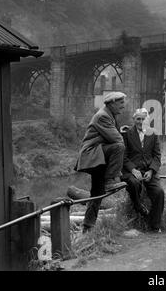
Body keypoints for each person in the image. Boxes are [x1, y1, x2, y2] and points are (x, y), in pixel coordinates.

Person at [74, 91, 127, 233]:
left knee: (96, 192)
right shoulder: (103, 116)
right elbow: (117, 140)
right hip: (93, 154)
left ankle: (87, 226)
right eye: (121, 103)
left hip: (99, 155)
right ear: (112, 103)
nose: (123, 106)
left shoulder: (110, 114)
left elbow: (111, 135)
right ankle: (110, 181)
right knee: (119, 147)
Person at [121, 108, 164, 233]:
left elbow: (157, 156)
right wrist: (133, 170)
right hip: (132, 170)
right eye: (138, 119)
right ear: (134, 120)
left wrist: (151, 171)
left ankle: (155, 226)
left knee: (159, 192)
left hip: (149, 171)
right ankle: (138, 207)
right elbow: (123, 156)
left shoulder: (154, 134)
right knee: (134, 184)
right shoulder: (127, 134)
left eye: (143, 119)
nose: (140, 121)